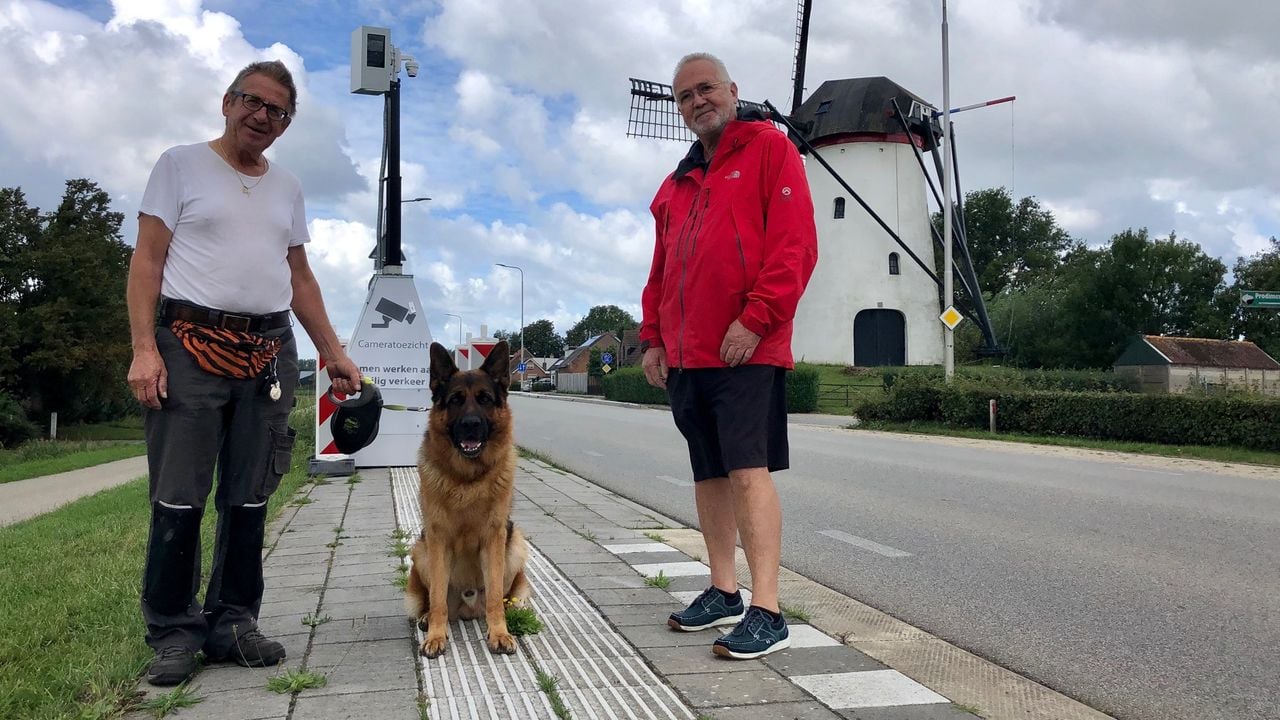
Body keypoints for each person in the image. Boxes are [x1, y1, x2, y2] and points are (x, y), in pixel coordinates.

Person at [126, 60, 362, 686]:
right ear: (228, 102)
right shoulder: (179, 166)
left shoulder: (287, 187)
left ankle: (233, 623)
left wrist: (332, 351)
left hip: (268, 351)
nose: (262, 116)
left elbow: (299, 275)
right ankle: (174, 632)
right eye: (252, 102)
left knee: (250, 492)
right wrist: (144, 349)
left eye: (277, 111)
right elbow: (147, 261)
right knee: (178, 495)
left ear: (286, 125)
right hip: (188, 344)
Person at [639, 52, 817, 660]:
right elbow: (662, 270)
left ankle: (768, 609)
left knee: (746, 470)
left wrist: (756, 319)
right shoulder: (675, 184)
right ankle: (723, 590)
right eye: (684, 96)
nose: (697, 102)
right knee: (708, 473)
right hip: (688, 355)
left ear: (733, 90)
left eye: (706, 88)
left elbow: (795, 246)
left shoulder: (770, 150)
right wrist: (653, 337)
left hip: (746, 348)